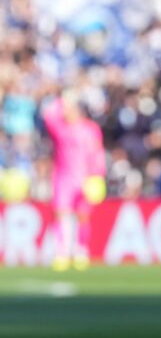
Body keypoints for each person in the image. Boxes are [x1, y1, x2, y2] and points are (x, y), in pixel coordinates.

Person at [42, 89, 106, 271]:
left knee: (83, 216)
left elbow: (97, 153)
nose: (66, 112)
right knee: (61, 214)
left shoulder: (90, 129)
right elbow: (48, 115)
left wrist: (98, 175)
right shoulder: (60, 129)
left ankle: (80, 251)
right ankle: (62, 252)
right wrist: (62, 99)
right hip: (63, 177)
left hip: (86, 178)